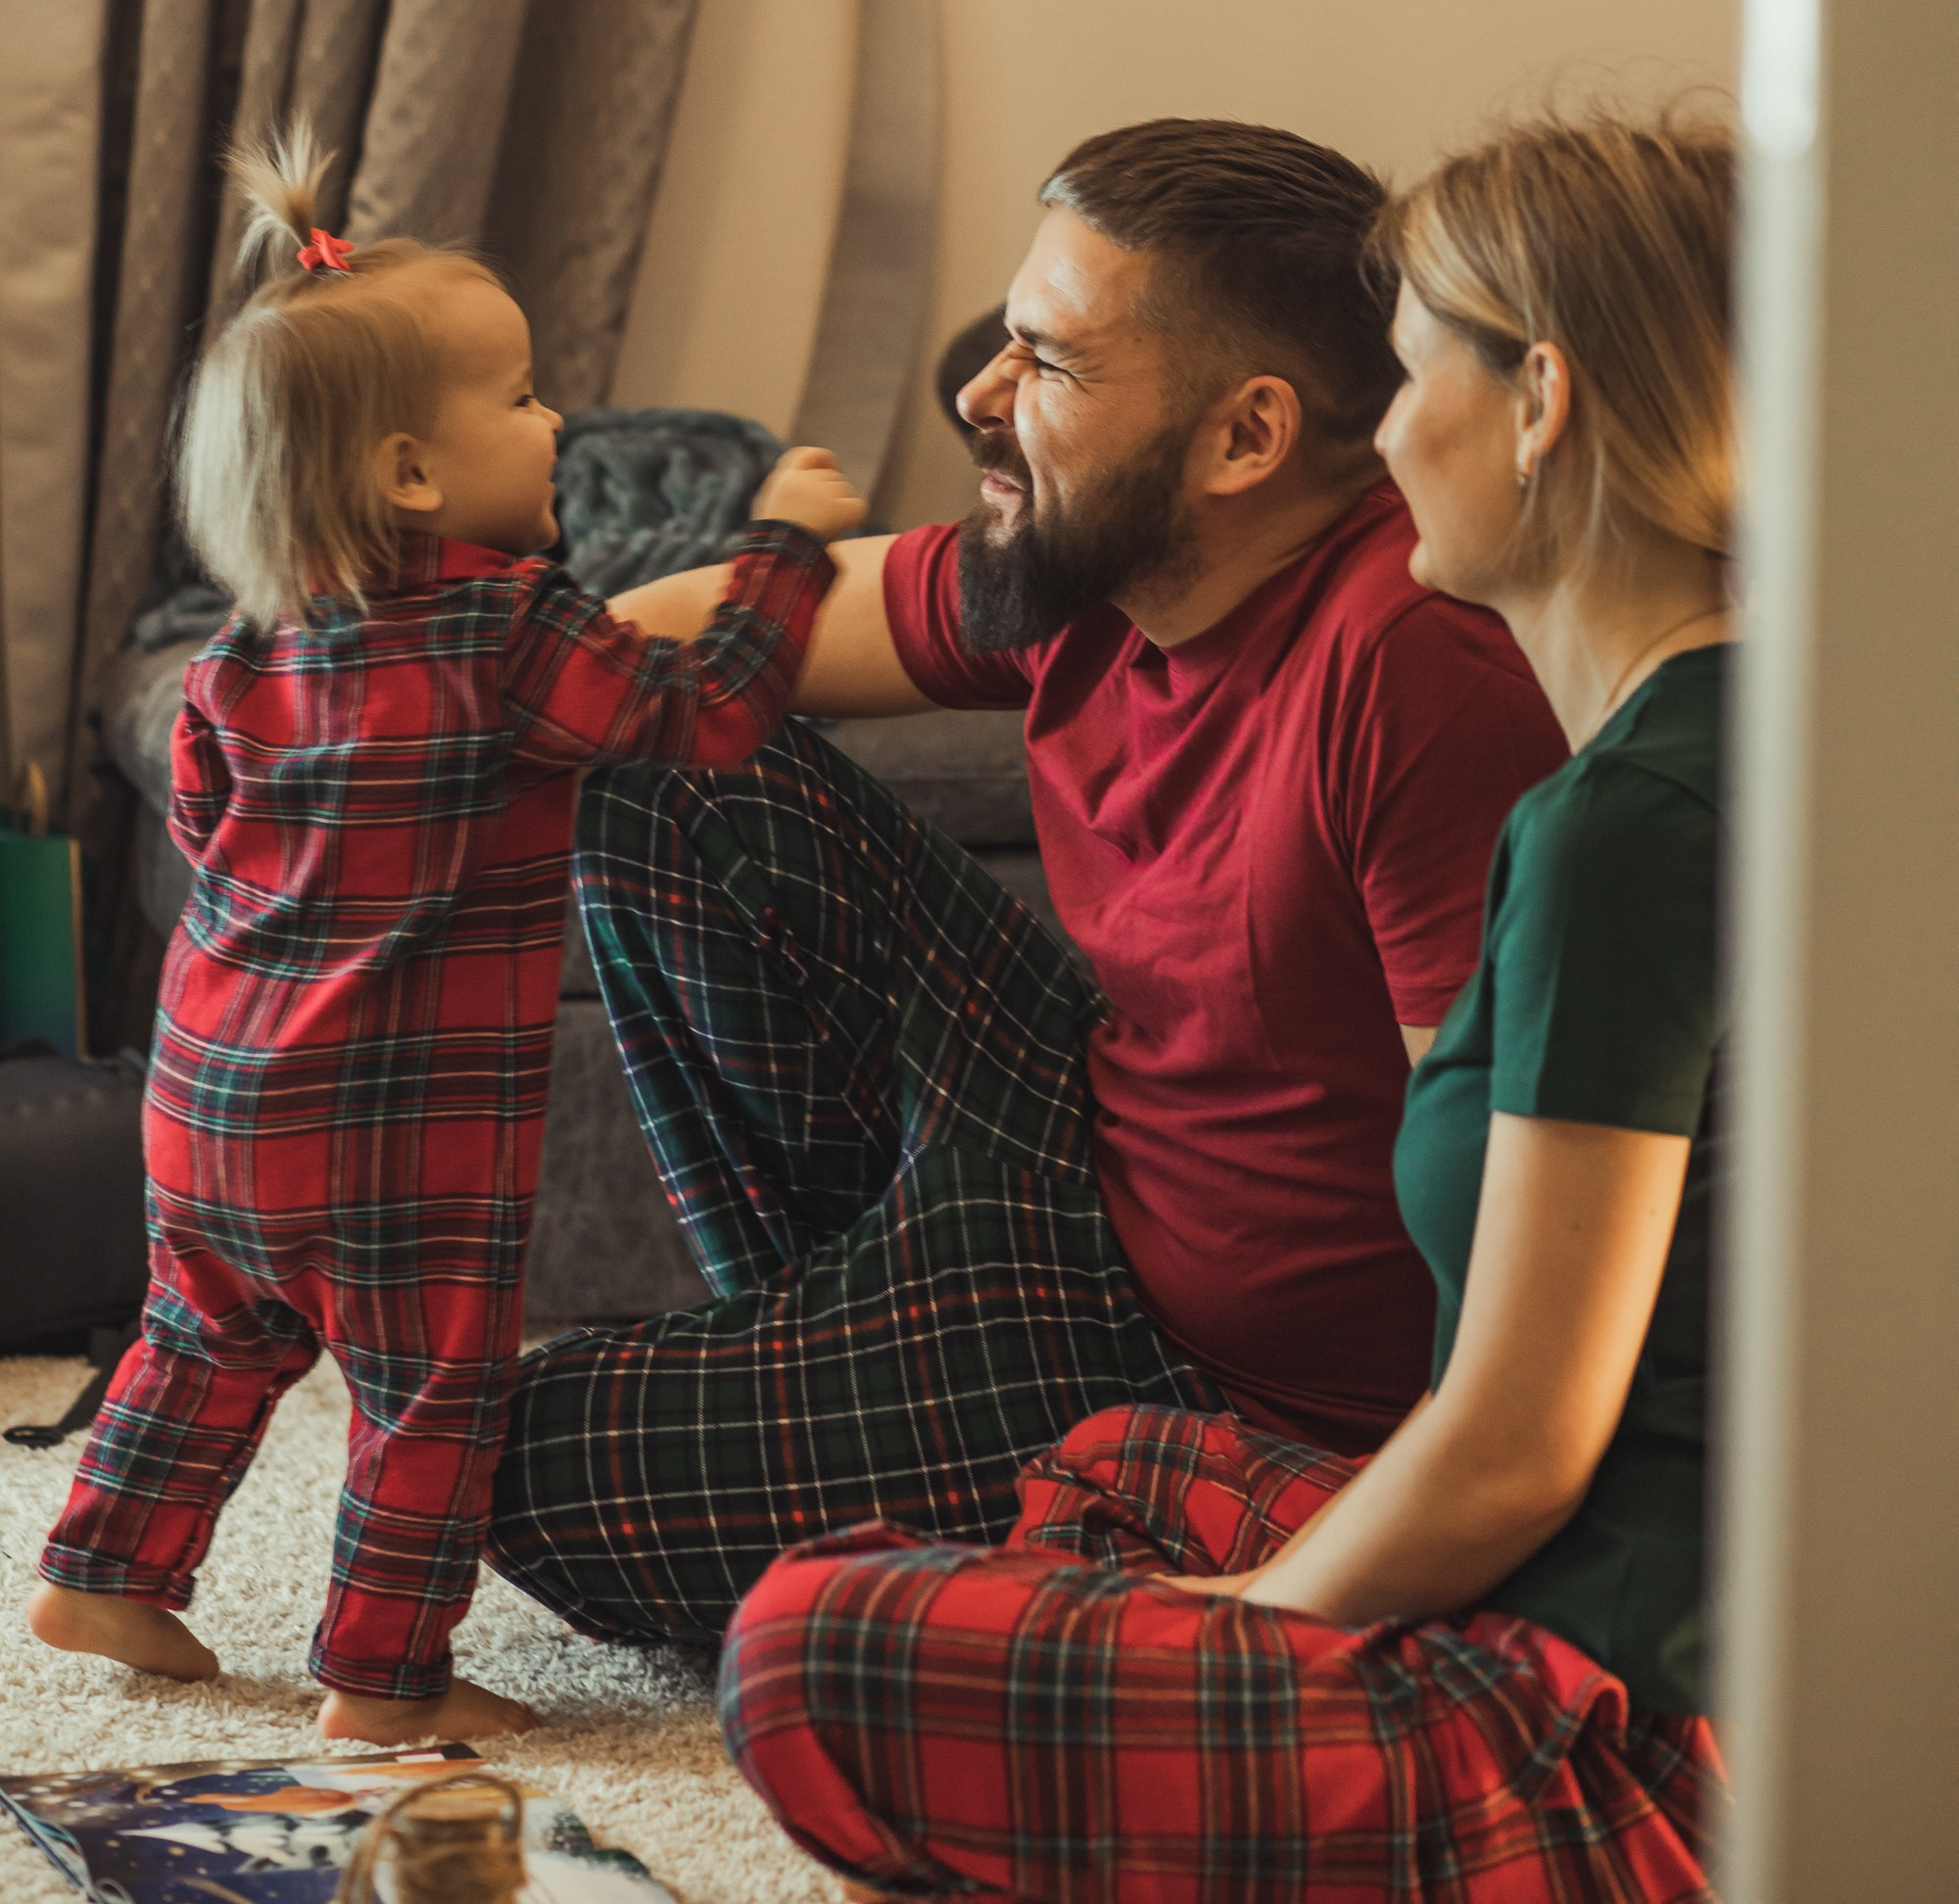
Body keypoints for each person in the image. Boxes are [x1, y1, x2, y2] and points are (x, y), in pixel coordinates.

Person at [716, 110, 1737, 1904]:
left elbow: (1514, 1446)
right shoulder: (1672, 762)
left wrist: (1251, 1620)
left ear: (1540, 406)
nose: (1382, 439)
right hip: (1563, 1588)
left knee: (813, 1645)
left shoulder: (1623, 824)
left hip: (1605, 1708)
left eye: (1408, 375)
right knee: (1116, 1468)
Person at [485, 119, 1566, 1646]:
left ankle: (990, 1468)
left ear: (1243, 439)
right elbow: (783, 613)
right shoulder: (1084, 562)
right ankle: (855, 1352)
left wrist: (1396, 1542)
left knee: (535, 1467)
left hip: (1234, 1399)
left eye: (1047, 364)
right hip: (1077, 1144)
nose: (980, 395)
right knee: (662, 756)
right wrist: (452, 714)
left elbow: (1505, 1207)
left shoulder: (1412, 672)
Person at [27, 130, 863, 1742]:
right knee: (429, 1391)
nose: (557, 422)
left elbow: (210, 836)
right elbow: (703, 718)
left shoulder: (244, 655)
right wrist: (780, 547)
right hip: (396, 1134)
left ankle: (108, 1568)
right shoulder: (509, 626)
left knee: (206, 1330)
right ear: (413, 471)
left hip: (208, 1094)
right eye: (527, 395)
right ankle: (386, 1679)